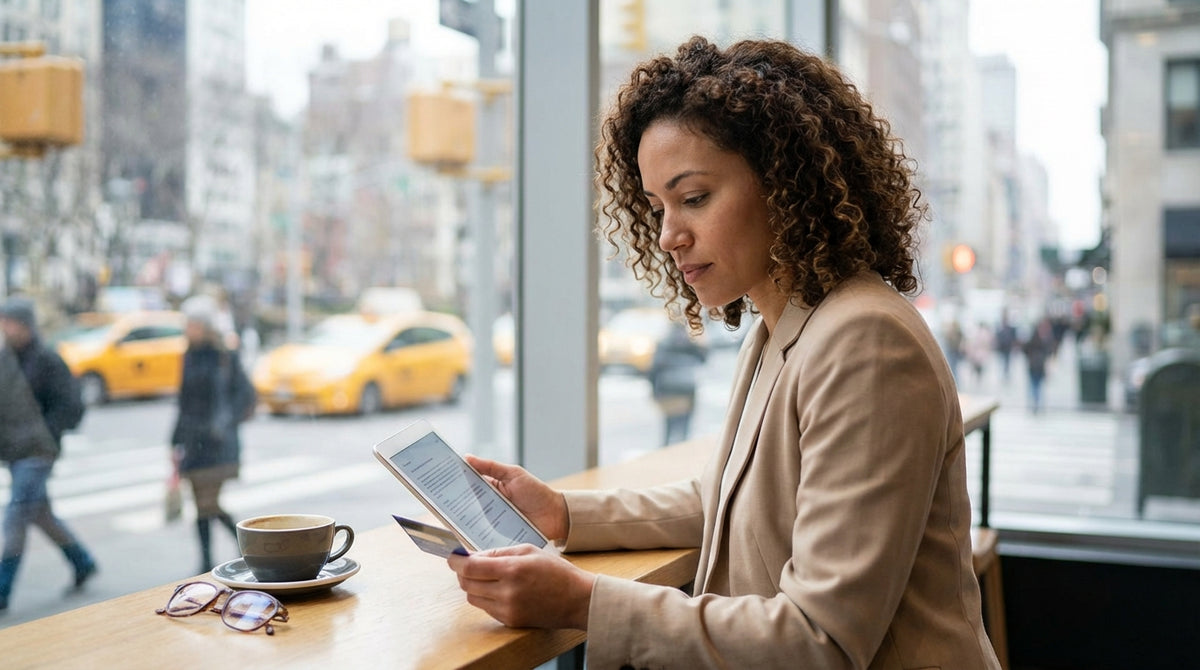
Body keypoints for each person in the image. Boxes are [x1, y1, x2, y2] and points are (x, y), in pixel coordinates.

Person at [446, 37, 1000, 669]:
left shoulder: (865, 342)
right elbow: (730, 496)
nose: (669, 235)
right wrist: (562, 512)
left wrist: (586, 603)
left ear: (787, 185)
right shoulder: (789, 324)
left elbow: (820, 641)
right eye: (657, 206)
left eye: (695, 197)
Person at [0, 298, 96, 612]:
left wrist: (44, 435)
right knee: (39, 513)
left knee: (16, 515)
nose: (4, 328)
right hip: (15, 453)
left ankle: (2, 588)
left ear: (25, 324)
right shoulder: (7, 359)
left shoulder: (47, 360)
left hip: (38, 453)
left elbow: (72, 407)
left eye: (8, 322)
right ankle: (82, 561)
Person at [169, 294, 257, 573]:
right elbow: (184, 401)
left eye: (192, 324)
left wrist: (226, 422)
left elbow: (246, 395)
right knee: (202, 505)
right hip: (194, 444)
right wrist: (175, 440)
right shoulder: (188, 356)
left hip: (218, 444)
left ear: (205, 326)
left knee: (208, 502)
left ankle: (246, 548)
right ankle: (208, 559)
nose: (188, 329)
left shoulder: (224, 356)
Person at [648, 321, 707, 446]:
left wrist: (654, 391)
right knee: (684, 427)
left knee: (668, 426)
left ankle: (665, 453)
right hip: (686, 389)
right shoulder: (691, 343)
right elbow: (703, 358)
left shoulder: (663, 343)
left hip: (668, 389)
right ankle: (682, 453)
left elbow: (654, 369)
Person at [1022, 317, 1055, 415]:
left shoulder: (1043, 337)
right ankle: (1036, 404)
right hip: (1035, 365)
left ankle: (1037, 404)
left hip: (1037, 366)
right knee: (1035, 386)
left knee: (1037, 386)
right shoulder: (1042, 338)